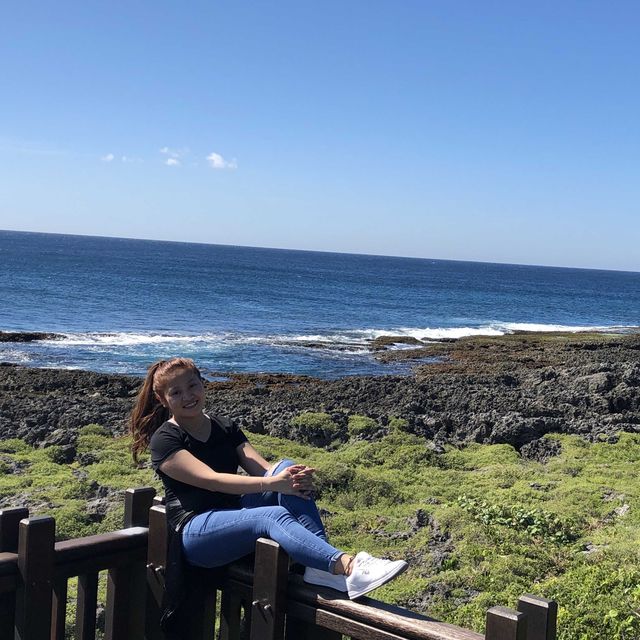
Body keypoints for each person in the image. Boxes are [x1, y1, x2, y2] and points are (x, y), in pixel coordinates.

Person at [130, 357, 407, 602]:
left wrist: (291, 478)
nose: (188, 395)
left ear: (203, 383)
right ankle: (346, 565)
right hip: (195, 531)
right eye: (176, 392)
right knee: (271, 516)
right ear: (163, 399)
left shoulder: (223, 425)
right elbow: (212, 480)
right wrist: (273, 484)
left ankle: (317, 568)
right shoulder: (165, 440)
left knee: (285, 467)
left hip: (232, 515)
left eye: (192, 385)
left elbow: (264, 471)